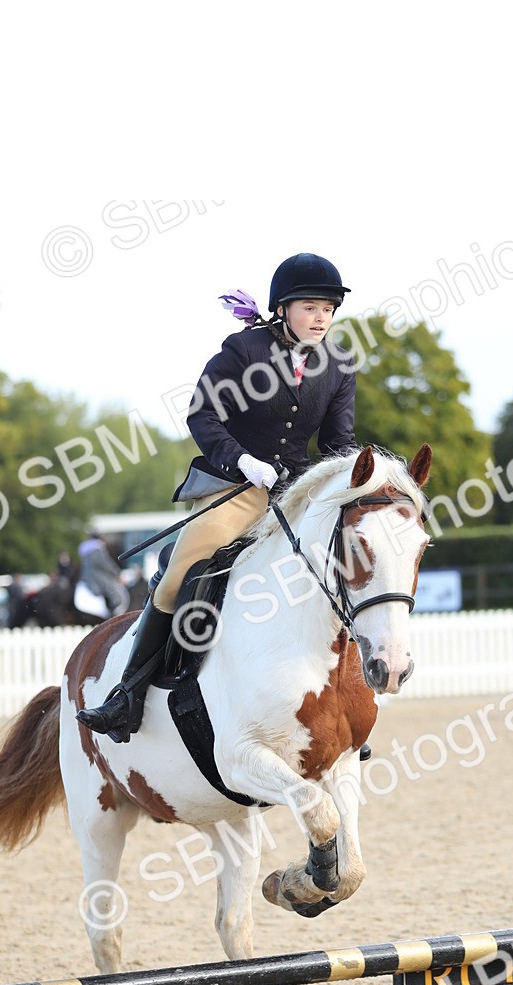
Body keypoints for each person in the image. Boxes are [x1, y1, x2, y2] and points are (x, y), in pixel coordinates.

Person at [77, 252, 357, 742]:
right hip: (238, 486)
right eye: (311, 308)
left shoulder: (338, 366)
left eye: (328, 309)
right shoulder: (244, 350)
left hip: (296, 492)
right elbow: (203, 414)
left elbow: (338, 443)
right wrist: (242, 461)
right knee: (181, 571)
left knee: (343, 567)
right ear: (283, 309)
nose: (321, 319)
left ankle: (348, 701)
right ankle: (128, 695)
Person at [74, 533, 130, 622]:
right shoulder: (97, 550)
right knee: (116, 596)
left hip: (85, 579)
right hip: (97, 579)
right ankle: (113, 616)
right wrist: (118, 574)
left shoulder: (85, 551)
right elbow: (107, 565)